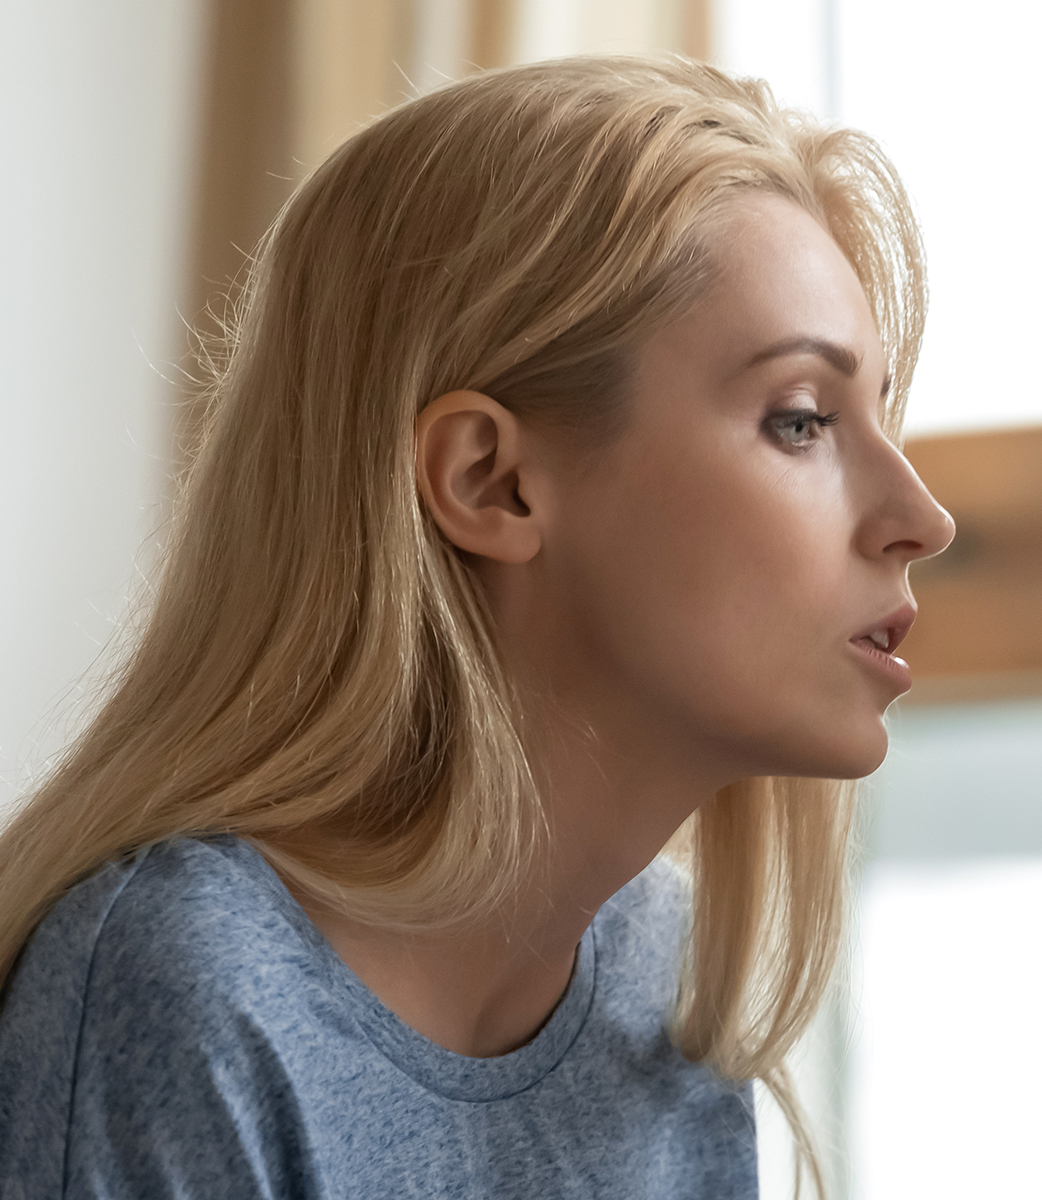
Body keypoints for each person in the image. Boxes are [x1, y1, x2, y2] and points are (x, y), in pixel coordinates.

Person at [0, 56, 951, 1198]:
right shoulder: (186, 990)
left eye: (880, 418)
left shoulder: (660, 998)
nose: (921, 517)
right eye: (801, 421)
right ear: (492, 482)